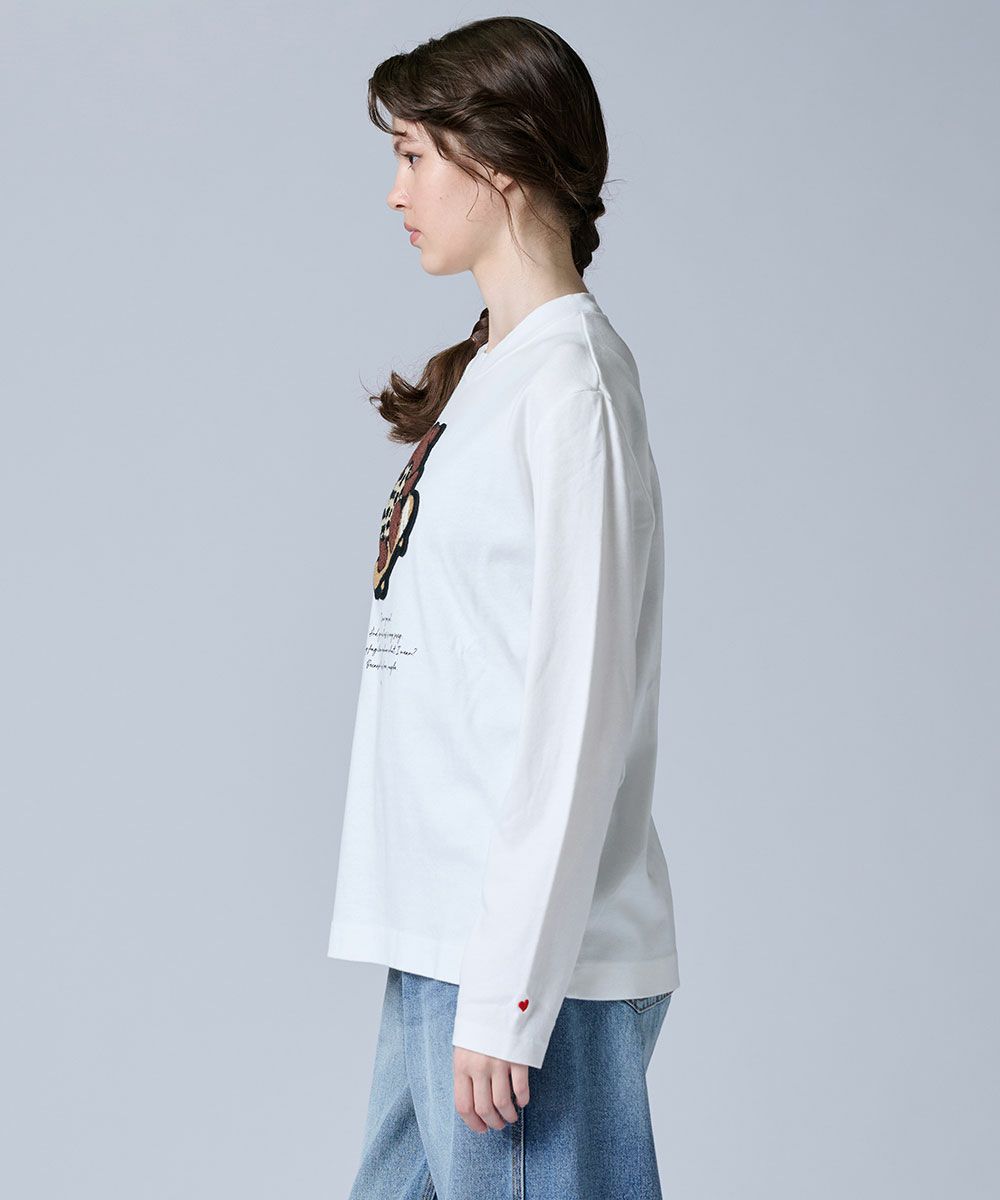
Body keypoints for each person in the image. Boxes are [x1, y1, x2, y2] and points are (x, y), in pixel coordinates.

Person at [328, 16, 681, 1199]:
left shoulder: (570, 389)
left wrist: (510, 994)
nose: (395, 193)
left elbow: (578, 710)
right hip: (442, 944)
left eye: (414, 156)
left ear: (498, 160)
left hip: (521, 969)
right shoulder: (492, 377)